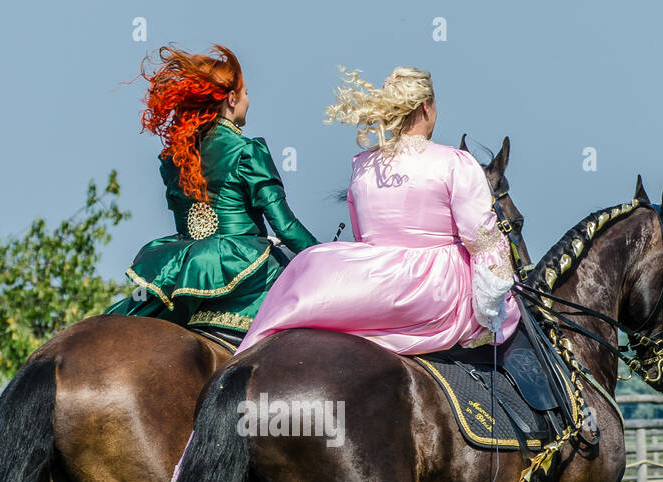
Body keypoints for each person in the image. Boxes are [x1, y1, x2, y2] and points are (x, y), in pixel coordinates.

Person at [238, 65, 521, 355]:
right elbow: (483, 239)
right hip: (437, 291)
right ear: (426, 107)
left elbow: (364, 240)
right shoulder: (456, 162)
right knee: (513, 312)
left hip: (373, 283)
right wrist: (492, 308)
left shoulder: (362, 165)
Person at [103, 44, 318, 342]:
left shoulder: (174, 158)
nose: (248, 99)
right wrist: (324, 255)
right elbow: (285, 226)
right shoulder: (247, 151)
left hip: (185, 268)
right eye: (245, 93)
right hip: (242, 263)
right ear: (231, 98)